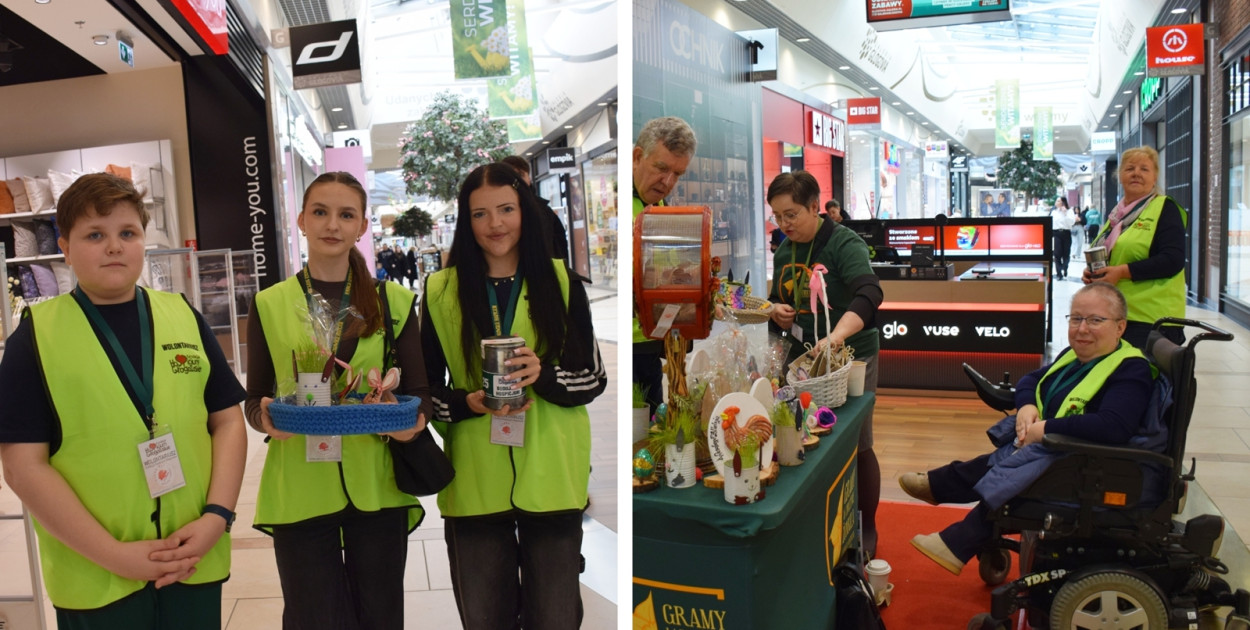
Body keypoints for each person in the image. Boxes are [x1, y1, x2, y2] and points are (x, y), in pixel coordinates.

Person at [0, 173, 248, 628]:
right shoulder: (35, 337)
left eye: (127, 233)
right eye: (95, 235)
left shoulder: (182, 316)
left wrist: (217, 516)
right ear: (66, 247)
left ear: (143, 241)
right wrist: (113, 555)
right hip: (96, 575)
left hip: (192, 557)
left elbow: (227, 421)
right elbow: (22, 465)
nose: (114, 246)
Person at [421, 163, 606, 629]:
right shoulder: (441, 291)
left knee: (556, 617)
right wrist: (466, 403)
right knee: (486, 618)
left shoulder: (561, 282)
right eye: (480, 214)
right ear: (466, 221)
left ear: (524, 210)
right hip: (474, 481)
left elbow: (592, 380)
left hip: (552, 476)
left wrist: (542, 375)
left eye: (506, 209)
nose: (495, 224)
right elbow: (422, 395)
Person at [246, 171, 431, 629]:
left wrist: (412, 420)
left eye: (346, 214)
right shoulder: (270, 303)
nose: (332, 224)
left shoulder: (394, 302)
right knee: (313, 616)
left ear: (362, 226)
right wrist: (266, 418)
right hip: (299, 485)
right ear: (302, 221)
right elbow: (255, 399)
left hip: (377, 482)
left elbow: (421, 393)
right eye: (321, 212)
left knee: (380, 614)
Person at [900, 283, 1157, 575]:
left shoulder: (1129, 369)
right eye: (1076, 319)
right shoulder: (1077, 355)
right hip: (1051, 448)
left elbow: (1114, 426)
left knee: (1013, 469)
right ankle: (941, 490)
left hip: (1086, 463)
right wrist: (1026, 407)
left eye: (1095, 320)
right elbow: (1031, 379)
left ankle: (958, 533)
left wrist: (1046, 427)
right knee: (1003, 459)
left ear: (1120, 327)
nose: (1082, 329)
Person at [766, 170, 884, 557]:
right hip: (804, 360)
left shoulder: (843, 243)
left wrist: (836, 337)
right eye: (777, 216)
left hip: (852, 356)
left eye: (792, 214)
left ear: (816, 207)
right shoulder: (785, 249)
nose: (784, 225)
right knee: (809, 436)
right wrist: (776, 312)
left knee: (857, 440)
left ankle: (867, 527)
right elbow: (777, 300)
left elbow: (869, 294)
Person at [1084, 146, 1188, 348]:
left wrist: (1122, 272)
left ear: (1155, 176)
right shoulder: (1117, 216)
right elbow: (1115, 256)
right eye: (1130, 168)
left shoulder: (1165, 208)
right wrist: (1094, 273)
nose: (1136, 174)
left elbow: (1173, 260)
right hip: (1117, 314)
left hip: (1152, 320)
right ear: (1120, 175)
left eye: (1144, 169)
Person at [632, 116, 696, 415]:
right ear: (637, 156)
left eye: (677, 174)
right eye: (661, 169)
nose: (668, 182)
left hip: (655, 344)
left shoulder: (661, 210)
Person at [502, 154, 570, 271]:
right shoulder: (497, 211)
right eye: (511, 176)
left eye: (520, 175)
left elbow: (558, 248)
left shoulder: (543, 211)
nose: (516, 180)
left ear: (529, 178)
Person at [1051, 197, 1075, 280]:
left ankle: (1065, 268)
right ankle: (1059, 274)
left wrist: (1065, 213)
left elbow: (1071, 222)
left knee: (1066, 254)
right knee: (1057, 254)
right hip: (1056, 234)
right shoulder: (1054, 212)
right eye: (1056, 200)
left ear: (1062, 202)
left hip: (1066, 233)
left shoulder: (1069, 211)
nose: (1056, 202)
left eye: (1058, 201)